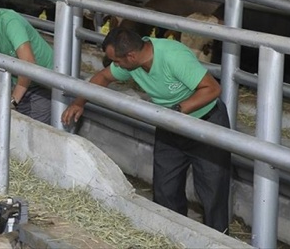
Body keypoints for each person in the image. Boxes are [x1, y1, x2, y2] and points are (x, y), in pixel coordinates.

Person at [62, 27, 230, 233]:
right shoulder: (133, 64)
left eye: (117, 61)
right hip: (171, 126)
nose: (116, 66)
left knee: (213, 192)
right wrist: (80, 102)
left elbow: (213, 89)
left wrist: (177, 110)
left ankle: (218, 242)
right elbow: (103, 77)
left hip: (206, 124)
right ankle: (172, 238)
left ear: (131, 56)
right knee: (165, 189)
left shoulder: (173, 56)